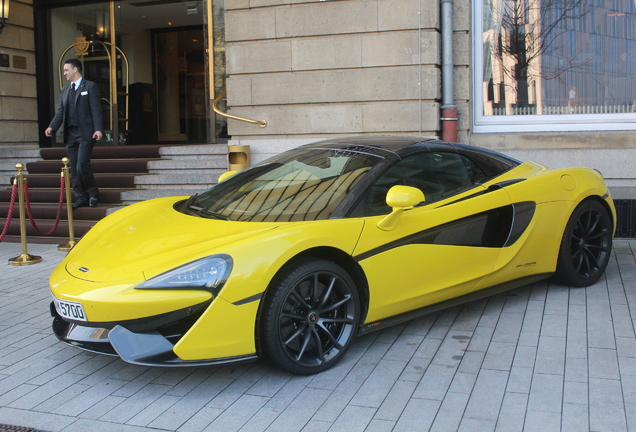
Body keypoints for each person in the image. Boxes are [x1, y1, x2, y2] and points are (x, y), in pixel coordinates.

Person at [45, 58, 103, 209]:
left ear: (75, 69)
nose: (64, 73)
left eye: (66, 70)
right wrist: (52, 127)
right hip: (70, 133)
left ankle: (93, 194)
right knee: (73, 167)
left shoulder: (90, 86)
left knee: (82, 164)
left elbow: (96, 109)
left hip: (86, 132)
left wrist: (98, 129)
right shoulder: (65, 90)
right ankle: (81, 196)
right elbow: (61, 112)